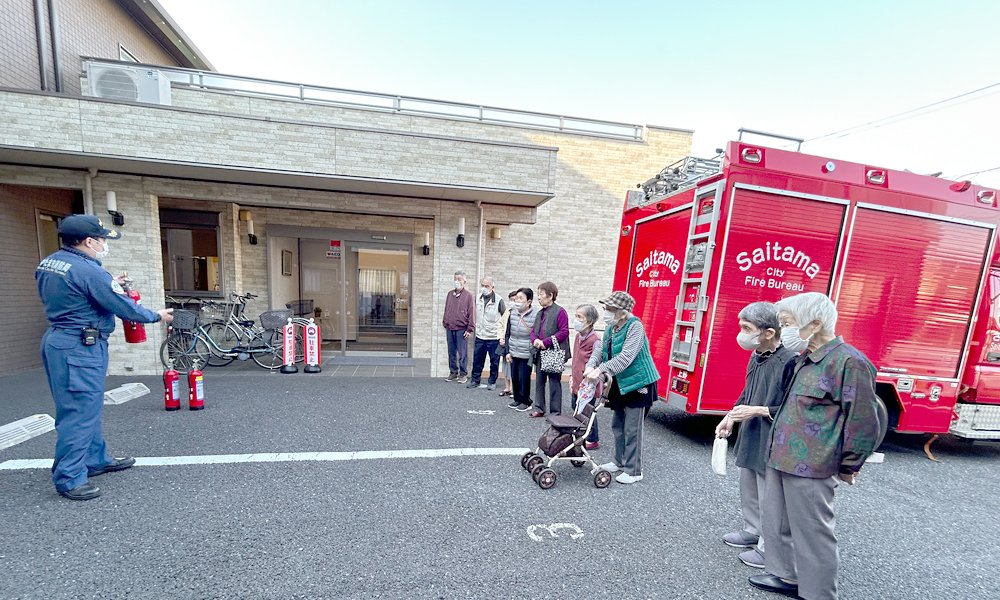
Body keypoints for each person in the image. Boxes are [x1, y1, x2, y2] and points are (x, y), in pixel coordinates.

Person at [748, 292, 880, 600]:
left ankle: (818, 593)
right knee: (777, 521)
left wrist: (850, 465)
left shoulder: (849, 361)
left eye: (787, 323)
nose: (783, 330)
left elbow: (863, 421)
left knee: (813, 533)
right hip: (782, 455)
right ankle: (786, 576)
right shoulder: (803, 359)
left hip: (813, 462)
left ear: (815, 323)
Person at [36, 215, 173, 501]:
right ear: (88, 241)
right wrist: (156, 315)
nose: (103, 244)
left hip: (60, 340)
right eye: (101, 239)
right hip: (80, 346)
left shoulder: (51, 263)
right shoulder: (89, 272)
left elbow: (77, 292)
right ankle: (70, 478)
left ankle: (95, 459)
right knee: (78, 412)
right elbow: (126, 309)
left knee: (87, 406)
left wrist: (109, 282)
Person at [715, 302, 796, 569]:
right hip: (752, 431)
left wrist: (759, 410)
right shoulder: (757, 355)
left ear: (769, 332)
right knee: (748, 483)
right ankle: (752, 530)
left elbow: (794, 407)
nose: (741, 333)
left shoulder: (789, 361)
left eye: (747, 328)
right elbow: (748, 391)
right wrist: (730, 416)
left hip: (772, 435)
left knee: (769, 493)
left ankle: (768, 547)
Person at [583, 291, 659, 484]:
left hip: (639, 383)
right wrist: (591, 365)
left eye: (610, 310)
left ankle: (634, 470)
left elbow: (626, 357)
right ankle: (619, 461)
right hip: (621, 383)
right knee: (618, 425)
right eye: (605, 309)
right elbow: (600, 349)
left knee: (632, 428)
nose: (606, 313)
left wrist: (600, 370)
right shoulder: (611, 328)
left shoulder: (635, 327)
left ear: (623, 313)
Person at [529, 282, 571, 418]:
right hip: (539, 352)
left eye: (541, 294)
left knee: (554, 382)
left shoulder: (560, 311)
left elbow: (564, 331)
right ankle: (539, 408)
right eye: (538, 295)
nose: (539, 298)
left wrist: (545, 342)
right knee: (539, 381)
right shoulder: (539, 313)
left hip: (553, 352)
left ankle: (555, 412)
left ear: (551, 295)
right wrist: (534, 340)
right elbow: (533, 331)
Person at [571, 304, 602, 450]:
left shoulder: (595, 340)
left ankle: (592, 438)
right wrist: (572, 376)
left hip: (589, 384)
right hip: (577, 380)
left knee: (587, 411)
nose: (576, 319)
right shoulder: (578, 336)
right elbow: (576, 358)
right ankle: (581, 434)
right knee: (575, 407)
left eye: (579, 317)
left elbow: (598, 362)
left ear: (589, 321)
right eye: (576, 315)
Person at [468, 277, 505, 390]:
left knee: (494, 361)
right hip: (480, 335)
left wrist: (501, 335)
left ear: (492, 287)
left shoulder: (498, 300)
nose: (484, 288)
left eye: (486, 286)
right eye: (482, 285)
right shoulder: (477, 298)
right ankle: (475, 380)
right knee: (477, 359)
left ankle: (492, 381)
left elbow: (504, 318)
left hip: (493, 336)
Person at [504, 287, 536, 412]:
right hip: (513, 349)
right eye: (516, 298)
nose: (517, 301)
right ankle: (517, 399)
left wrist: (532, 351)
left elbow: (535, 334)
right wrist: (507, 351)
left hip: (526, 351)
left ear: (529, 301)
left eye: (521, 298)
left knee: (524, 377)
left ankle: (526, 401)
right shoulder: (513, 313)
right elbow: (508, 333)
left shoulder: (535, 315)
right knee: (515, 376)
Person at [442, 270, 475, 384]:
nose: (457, 281)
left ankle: (463, 374)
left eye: (459, 279)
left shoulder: (468, 296)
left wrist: (470, 328)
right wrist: (445, 322)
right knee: (451, 351)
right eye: (455, 279)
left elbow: (472, 312)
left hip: (462, 328)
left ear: (464, 281)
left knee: (462, 352)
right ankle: (453, 372)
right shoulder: (450, 294)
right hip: (450, 327)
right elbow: (447, 308)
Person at [496, 290, 518, 398]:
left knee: (513, 366)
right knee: (505, 365)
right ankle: (507, 387)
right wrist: (500, 337)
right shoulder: (507, 311)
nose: (512, 302)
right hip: (505, 342)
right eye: (511, 300)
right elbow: (501, 324)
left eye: (515, 299)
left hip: (513, 343)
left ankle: (515, 389)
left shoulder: (519, 313)